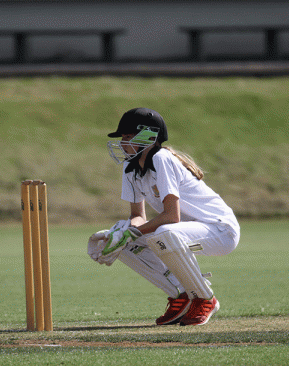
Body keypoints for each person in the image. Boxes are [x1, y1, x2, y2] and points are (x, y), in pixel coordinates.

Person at [87, 107, 240, 326]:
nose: (122, 143)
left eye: (128, 137)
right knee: (120, 235)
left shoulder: (161, 158)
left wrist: (133, 232)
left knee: (164, 233)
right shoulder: (130, 167)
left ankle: (205, 298)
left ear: (148, 136)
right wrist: (122, 236)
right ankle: (182, 296)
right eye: (122, 137)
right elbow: (137, 216)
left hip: (220, 230)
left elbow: (171, 216)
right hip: (184, 231)